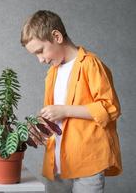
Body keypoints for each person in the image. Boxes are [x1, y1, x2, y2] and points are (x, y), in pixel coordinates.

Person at [21, 10, 122, 193]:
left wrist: (65, 110)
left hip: (87, 162)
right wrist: (40, 124)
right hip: (57, 164)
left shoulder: (90, 64)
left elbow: (110, 107)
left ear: (57, 36)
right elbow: (54, 113)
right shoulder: (53, 73)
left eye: (40, 51)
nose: (40, 60)